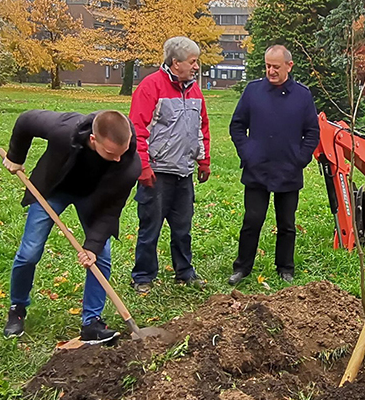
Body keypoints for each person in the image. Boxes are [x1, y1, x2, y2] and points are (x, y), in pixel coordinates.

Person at [2, 110, 141, 343]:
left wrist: (92, 247)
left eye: (122, 152)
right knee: (29, 252)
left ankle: (91, 323)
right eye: (110, 153)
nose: (118, 159)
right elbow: (26, 121)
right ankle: (17, 308)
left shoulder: (129, 164)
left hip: (94, 198)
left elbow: (110, 211)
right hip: (52, 189)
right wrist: (16, 156)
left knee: (101, 256)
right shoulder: (65, 129)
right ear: (93, 139)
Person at [227, 44, 320, 285]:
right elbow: (237, 125)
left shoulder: (302, 95)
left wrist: (300, 159)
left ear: (289, 66)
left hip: (288, 170)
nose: (271, 71)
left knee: (287, 224)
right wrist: (247, 153)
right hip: (257, 169)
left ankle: (285, 268)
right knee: (252, 220)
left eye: (276, 66)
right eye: (267, 65)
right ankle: (242, 268)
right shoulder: (253, 91)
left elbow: (312, 131)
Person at [129, 36, 211, 294]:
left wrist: (203, 160)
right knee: (149, 228)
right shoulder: (150, 87)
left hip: (184, 172)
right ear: (176, 63)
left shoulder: (195, 91)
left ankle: (184, 272)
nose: (196, 67)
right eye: (192, 62)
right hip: (157, 173)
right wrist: (143, 167)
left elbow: (202, 127)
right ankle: (143, 276)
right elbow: (137, 130)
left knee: (183, 228)